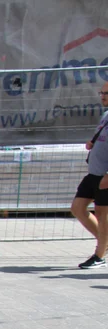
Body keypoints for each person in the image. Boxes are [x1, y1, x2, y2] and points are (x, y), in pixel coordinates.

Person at [72, 82, 108, 269]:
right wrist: (93, 143)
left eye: (106, 93)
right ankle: (104, 244)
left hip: (105, 176)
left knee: (103, 216)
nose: (102, 96)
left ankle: (99, 255)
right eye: (102, 92)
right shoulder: (106, 115)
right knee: (78, 208)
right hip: (94, 172)